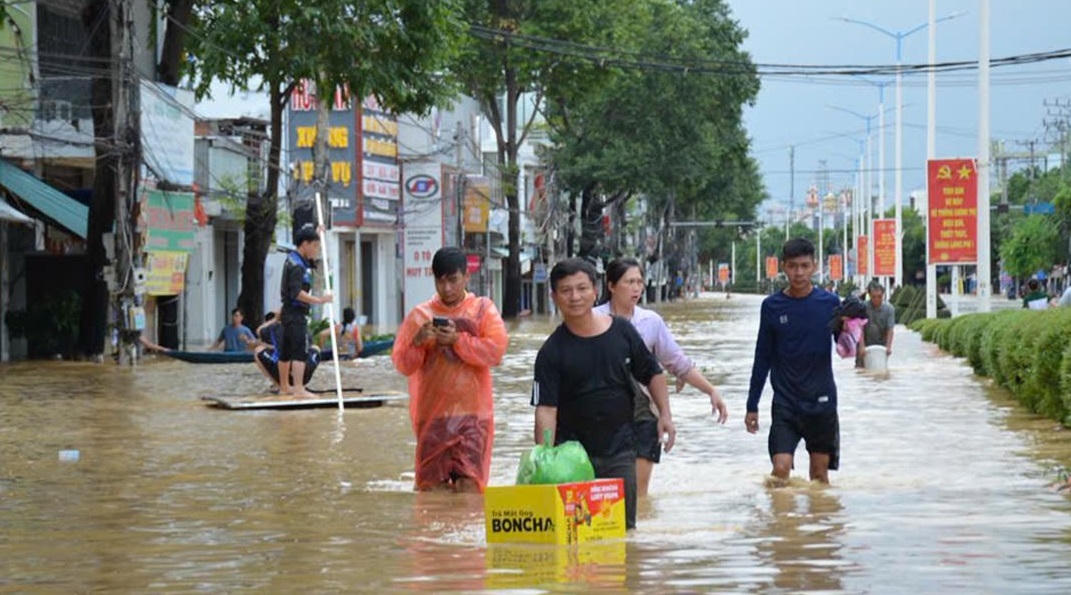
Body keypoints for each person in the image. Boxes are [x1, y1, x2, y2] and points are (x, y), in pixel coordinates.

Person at [532, 258, 675, 529]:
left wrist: (665, 414)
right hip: (572, 458)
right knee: (576, 532)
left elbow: (653, 373)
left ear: (596, 291)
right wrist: (544, 458)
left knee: (623, 531)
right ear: (554, 296)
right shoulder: (551, 352)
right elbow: (546, 409)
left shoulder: (621, 331)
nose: (575, 297)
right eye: (566, 290)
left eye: (582, 288)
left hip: (621, 451)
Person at [594, 257, 728, 498]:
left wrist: (711, 391)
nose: (636, 288)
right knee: (605, 493)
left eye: (639, 282)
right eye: (629, 282)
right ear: (611, 286)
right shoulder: (592, 320)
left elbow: (677, 363)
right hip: (602, 416)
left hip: (645, 413)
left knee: (637, 494)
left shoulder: (651, 322)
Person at [392, 247, 508, 493]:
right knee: (431, 491)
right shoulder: (420, 316)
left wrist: (458, 341)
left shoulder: (482, 310)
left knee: (471, 487)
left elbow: (496, 351)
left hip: (474, 416)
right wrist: (418, 342)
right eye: (440, 281)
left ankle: (466, 532)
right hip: (433, 416)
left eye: (453, 280)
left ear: (466, 277)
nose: (446, 289)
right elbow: (402, 364)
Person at [746, 238, 842, 485]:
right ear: (783, 267)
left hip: (821, 403)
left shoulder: (831, 304)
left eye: (804, 266)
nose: (798, 272)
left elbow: (847, 348)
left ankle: (819, 523)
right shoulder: (772, 307)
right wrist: (751, 405)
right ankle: (781, 522)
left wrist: (854, 322)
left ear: (814, 266)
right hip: (785, 403)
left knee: (819, 477)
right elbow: (762, 357)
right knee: (780, 470)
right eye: (792, 266)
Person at [279, 223, 332, 398]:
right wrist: (320, 300)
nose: (316, 250)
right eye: (314, 245)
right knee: (298, 350)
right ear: (305, 244)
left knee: (285, 350)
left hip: (288, 313)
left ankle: (285, 386)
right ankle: (299, 389)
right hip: (295, 313)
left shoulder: (294, 258)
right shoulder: (297, 266)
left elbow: (310, 258)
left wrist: (317, 233)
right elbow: (297, 293)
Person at [253, 311, 320, 393]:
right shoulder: (303, 328)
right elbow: (308, 346)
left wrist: (275, 319)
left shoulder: (275, 327)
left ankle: (279, 386)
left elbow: (258, 331)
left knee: (258, 350)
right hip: (303, 371)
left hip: (285, 370)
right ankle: (300, 385)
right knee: (315, 348)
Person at [857, 281, 895, 367]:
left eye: (879, 297)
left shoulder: (889, 309)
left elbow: (890, 329)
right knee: (861, 368)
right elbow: (860, 328)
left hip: (881, 345)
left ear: (883, 295)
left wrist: (888, 347)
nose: (876, 299)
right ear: (869, 296)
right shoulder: (863, 307)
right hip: (865, 343)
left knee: (880, 368)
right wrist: (861, 346)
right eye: (874, 297)